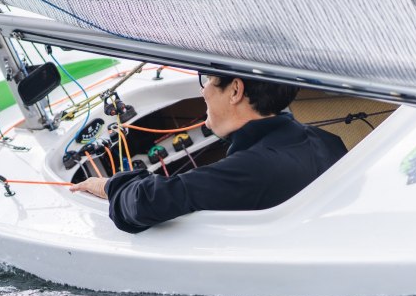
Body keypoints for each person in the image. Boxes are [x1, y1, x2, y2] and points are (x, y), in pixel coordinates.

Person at [70, 72, 348, 233]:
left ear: (236, 89)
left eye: (208, 79)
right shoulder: (329, 143)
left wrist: (107, 185)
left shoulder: (250, 169)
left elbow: (145, 204)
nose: (203, 91)